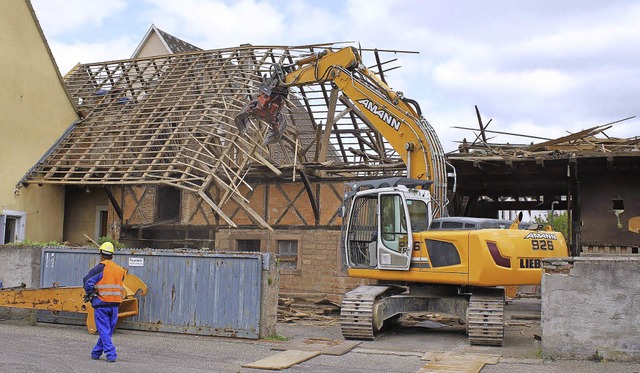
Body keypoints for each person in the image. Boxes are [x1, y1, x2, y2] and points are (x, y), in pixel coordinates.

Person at [83, 242, 126, 363]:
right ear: (112, 255)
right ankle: (96, 353)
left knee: (104, 330)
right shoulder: (120, 270)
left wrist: (90, 293)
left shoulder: (100, 268)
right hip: (115, 304)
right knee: (107, 331)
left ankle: (111, 354)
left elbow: (87, 281)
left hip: (102, 303)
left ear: (101, 255)